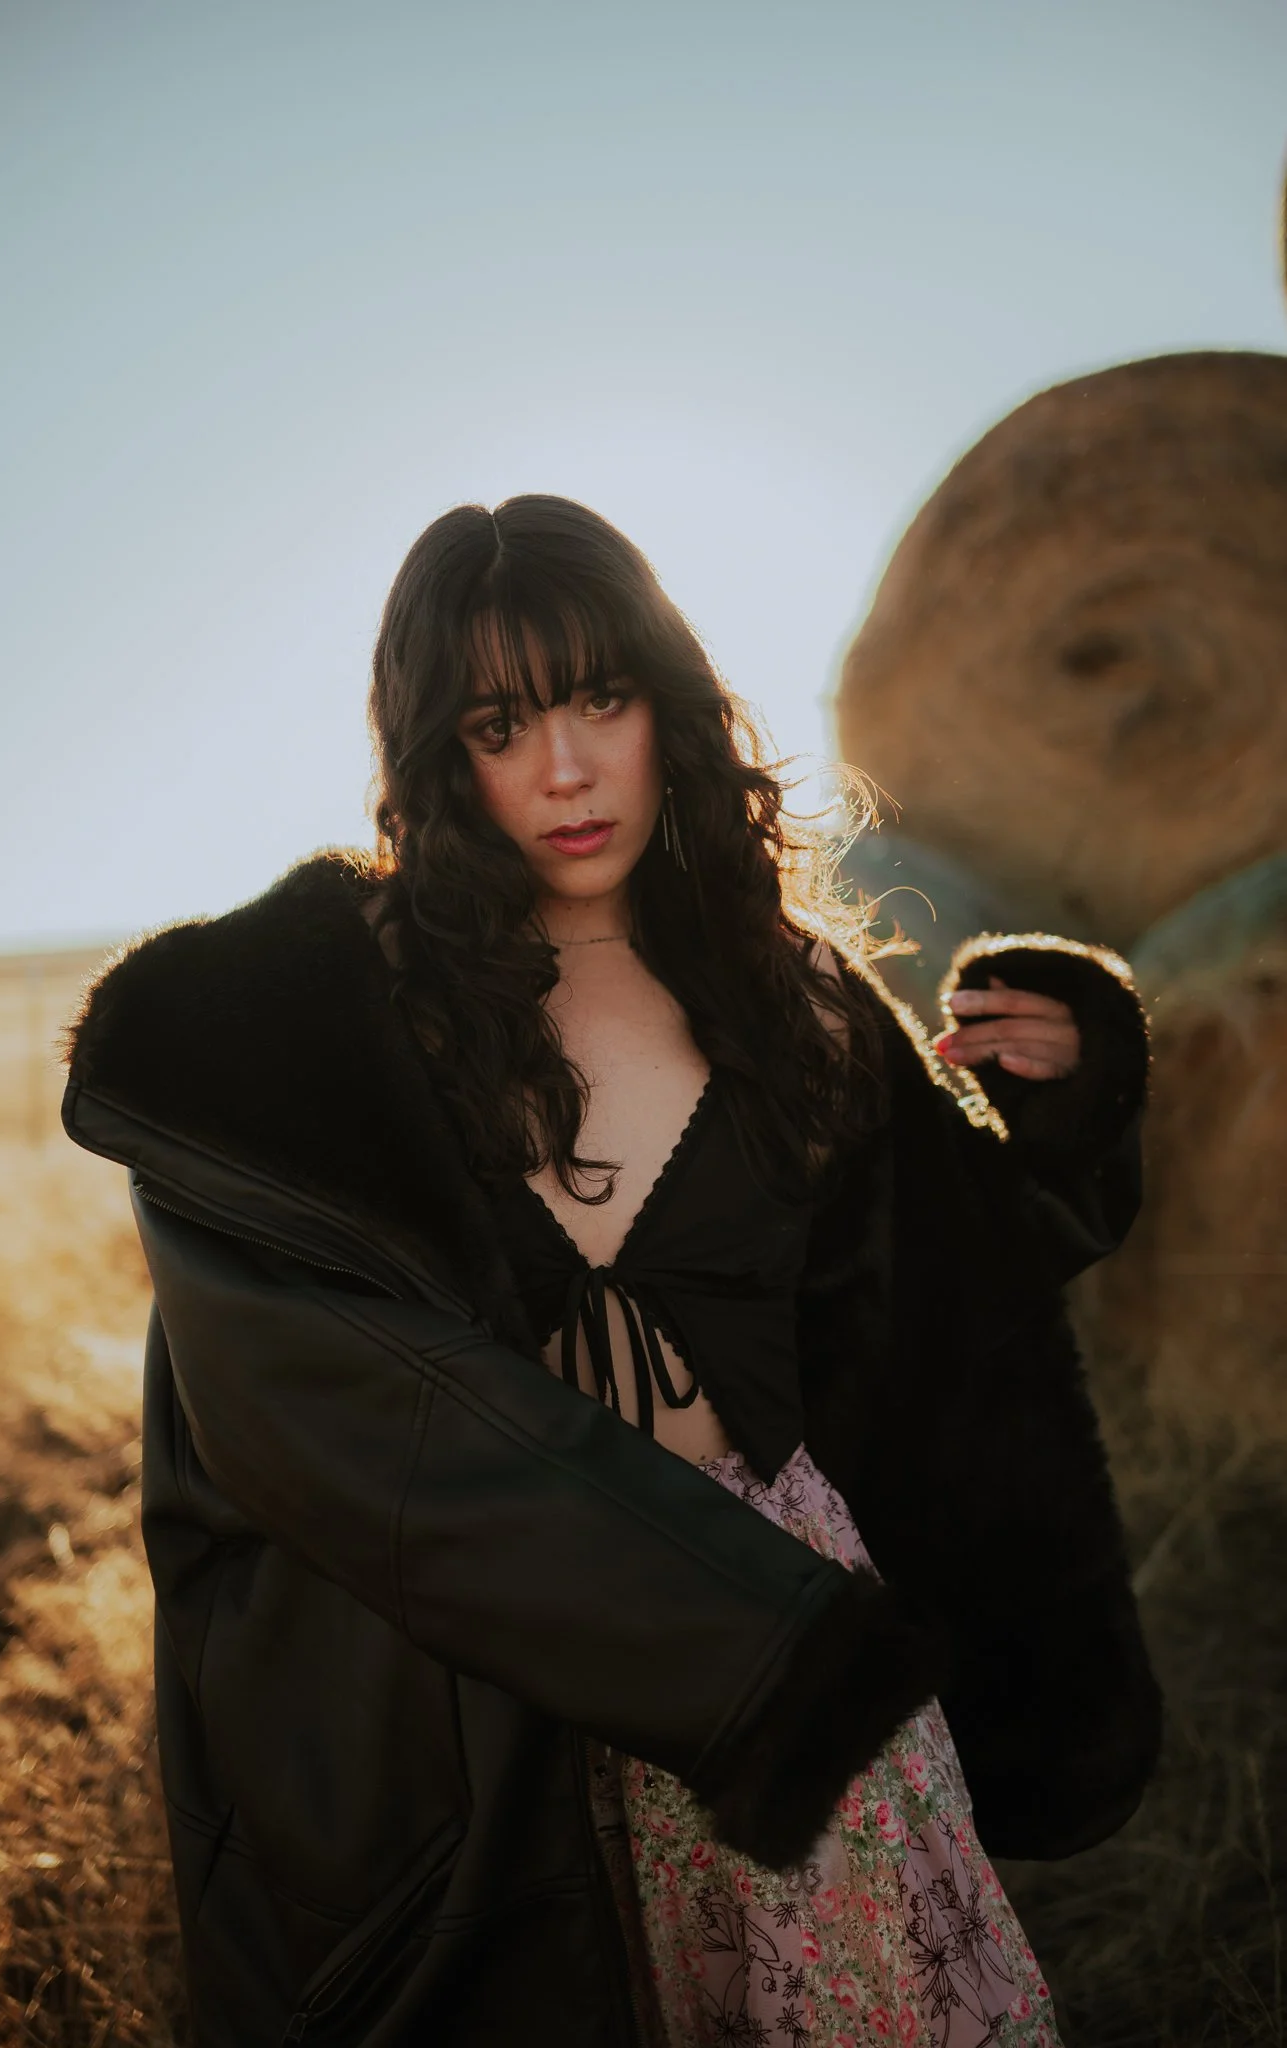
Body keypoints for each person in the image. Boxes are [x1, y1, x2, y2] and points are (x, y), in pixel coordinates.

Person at [61, 495, 1160, 2048]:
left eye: (599, 696)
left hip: (800, 1656)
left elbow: (953, 1294)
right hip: (508, 1684)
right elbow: (304, 1397)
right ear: (438, 751)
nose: (564, 769)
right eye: (500, 722)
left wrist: (1068, 1095)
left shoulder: (790, 991)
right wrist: (741, 1656)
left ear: (668, 703)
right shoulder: (350, 1022)